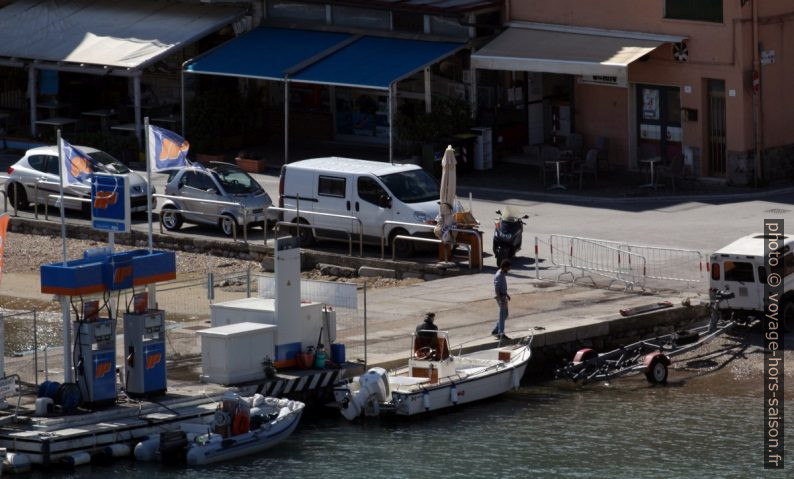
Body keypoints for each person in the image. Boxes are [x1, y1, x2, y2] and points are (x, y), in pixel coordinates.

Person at [492, 259, 511, 339]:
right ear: (505, 267)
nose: (509, 269)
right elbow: (497, 289)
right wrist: (500, 299)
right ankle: (501, 333)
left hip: (503, 296)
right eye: (509, 267)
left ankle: (496, 329)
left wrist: (507, 294)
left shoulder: (502, 273)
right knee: (502, 315)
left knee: (505, 314)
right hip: (500, 298)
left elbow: (502, 287)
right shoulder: (499, 275)